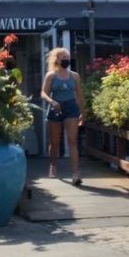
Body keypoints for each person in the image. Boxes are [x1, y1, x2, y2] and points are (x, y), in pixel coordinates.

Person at [41, 47, 85, 185]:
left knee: (72, 140)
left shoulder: (74, 76)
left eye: (67, 57)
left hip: (71, 107)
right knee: (55, 142)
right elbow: (43, 93)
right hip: (56, 107)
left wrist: (83, 112)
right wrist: (52, 101)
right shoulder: (51, 76)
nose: (66, 59)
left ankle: (75, 173)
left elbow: (79, 95)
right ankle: (53, 165)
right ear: (57, 60)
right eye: (63, 57)